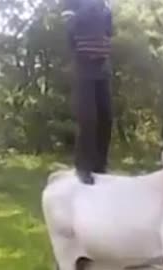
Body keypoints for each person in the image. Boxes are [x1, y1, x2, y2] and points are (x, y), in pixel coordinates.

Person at [62, 0, 113, 184]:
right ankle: (83, 167)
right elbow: (70, 29)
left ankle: (100, 166)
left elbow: (109, 31)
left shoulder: (105, 4)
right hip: (83, 65)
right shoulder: (72, 3)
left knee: (106, 117)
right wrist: (89, 9)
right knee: (88, 118)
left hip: (103, 66)